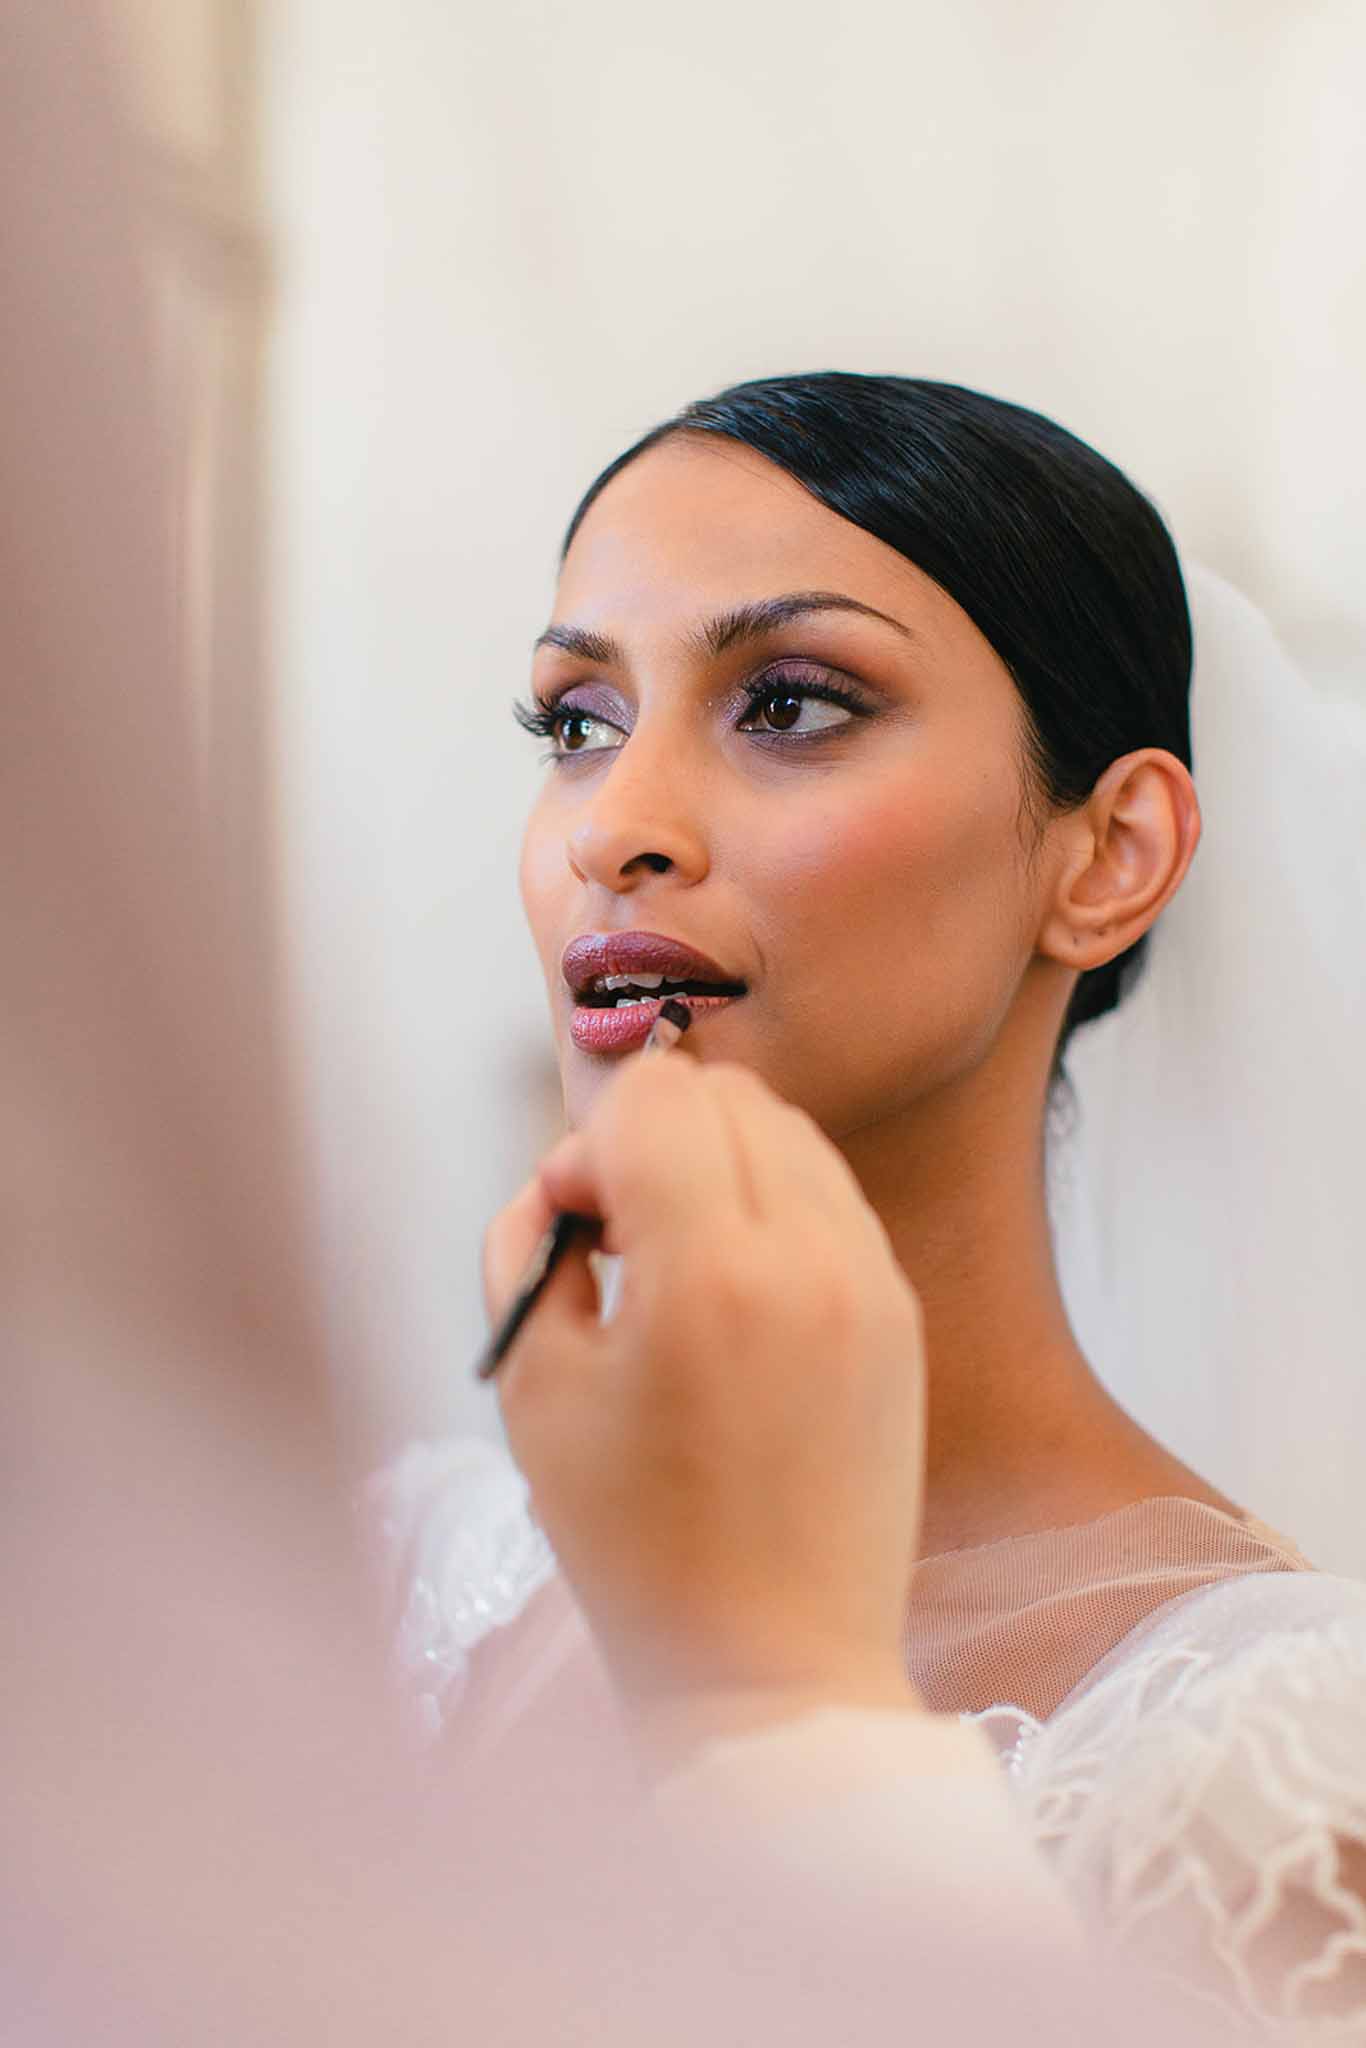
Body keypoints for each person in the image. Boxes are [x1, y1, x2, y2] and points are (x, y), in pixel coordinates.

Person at [375, 374, 1366, 2036]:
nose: (613, 827)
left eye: (793, 702)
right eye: (575, 722)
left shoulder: (1276, 1767)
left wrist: (768, 1722)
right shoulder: (396, 1576)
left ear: (1110, 851)